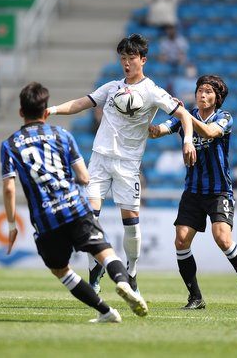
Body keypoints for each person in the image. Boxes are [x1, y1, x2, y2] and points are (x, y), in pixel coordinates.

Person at [46, 33, 196, 294]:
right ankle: (95, 272)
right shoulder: (112, 87)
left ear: (143, 60)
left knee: (131, 223)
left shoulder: (152, 91)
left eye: (131, 58)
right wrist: (54, 110)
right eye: (123, 58)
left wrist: (188, 141)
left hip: (128, 165)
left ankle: (133, 271)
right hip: (100, 160)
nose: (126, 63)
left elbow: (183, 114)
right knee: (89, 219)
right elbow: (82, 103)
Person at [1, 82, 148, 323]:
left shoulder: (10, 144)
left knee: (62, 270)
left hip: (46, 219)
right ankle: (124, 283)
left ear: (21, 112)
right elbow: (84, 177)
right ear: (45, 110)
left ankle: (106, 312)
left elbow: (9, 188)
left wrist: (11, 224)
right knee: (104, 252)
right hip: (75, 208)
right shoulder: (62, 135)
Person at [148, 75, 237, 310]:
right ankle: (195, 297)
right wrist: (144, 123)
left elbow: (209, 133)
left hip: (219, 192)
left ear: (217, 98)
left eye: (208, 91)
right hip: (193, 191)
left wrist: (183, 115)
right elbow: (159, 130)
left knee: (222, 238)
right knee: (181, 240)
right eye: (200, 90)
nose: (202, 95)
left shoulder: (224, 118)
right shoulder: (185, 116)